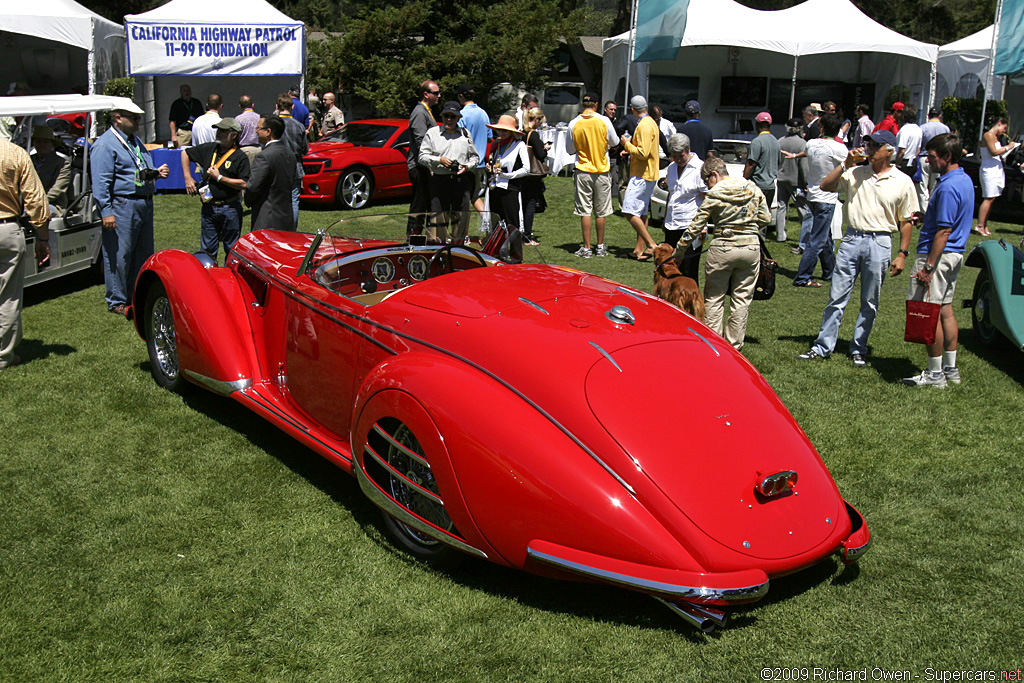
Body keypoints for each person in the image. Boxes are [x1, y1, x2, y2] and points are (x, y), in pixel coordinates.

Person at [798, 130, 918, 367]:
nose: (870, 149)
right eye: (869, 144)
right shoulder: (855, 172)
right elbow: (826, 185)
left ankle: (858, 348)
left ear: (889, 151)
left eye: (876, 146)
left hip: (881, 242)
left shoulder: (903, 181)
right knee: (836, 297)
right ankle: (822, 346)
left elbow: (906, 221)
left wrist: (902, 254)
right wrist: (845, 164)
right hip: (852, 239)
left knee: (870, 300)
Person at [672, 156, 770, 350]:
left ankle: (713, 344)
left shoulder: (715, 193)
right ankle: (734, 345)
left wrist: (679, 251)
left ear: (714, 175)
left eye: (707, 180)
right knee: (742, 298)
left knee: (714, 297)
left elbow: (695, 226)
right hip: (751, 248)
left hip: (723, 248)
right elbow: (766, 217)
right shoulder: (752, 187)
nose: (707, 186)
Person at [902, 133, 974, 388]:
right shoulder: (964, 180)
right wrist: (927, 217)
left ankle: (934, 374)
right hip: (954, 255)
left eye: (932, 157)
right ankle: (950, 369)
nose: (929, 161)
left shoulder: (947, 186)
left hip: (937, 256)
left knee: (929, 313)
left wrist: (928, 268)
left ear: (947, 157)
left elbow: (943, 231)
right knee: (945, 310)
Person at [91, 102, 170, 316]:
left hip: (143, 202)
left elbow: (137, 169)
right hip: (122, 204)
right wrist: (106, 211)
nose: (138, 122)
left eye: (138, 118)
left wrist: (155, 172)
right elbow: (101, 182)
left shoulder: (134, 141)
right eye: (133, 118)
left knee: (143, 253)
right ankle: (117, 300)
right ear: (117, 118)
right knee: (119, 253)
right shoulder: (105, 145)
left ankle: (137, 294)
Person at [0, 136, 50, 370]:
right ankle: (3, 355)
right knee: (8, 297)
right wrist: (42, 237)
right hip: (7, 228)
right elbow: (36, 199)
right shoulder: (15, 153)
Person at [182, 117, 250, 262]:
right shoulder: (209, 149)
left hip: (230, 207)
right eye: (218, 130)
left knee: (231, 249)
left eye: (223, 131)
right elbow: (185, 153)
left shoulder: (240, 157)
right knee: (207, 249)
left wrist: (219, 178)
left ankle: (230, 279)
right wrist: (188, 178)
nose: (218, 133)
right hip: (209, 207)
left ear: (234, 135)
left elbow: (244, 183)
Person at [793, 113, 847, 288]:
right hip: (828, 197)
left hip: (813, 195)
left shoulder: (811, 144)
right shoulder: (839, 148)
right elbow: (849, 165)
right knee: (817, 239)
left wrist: (795, 156)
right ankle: (803, 277)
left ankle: (829, 271)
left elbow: (807, 153)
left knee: (826, 237)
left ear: (821, 127)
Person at [566, 92, 619, 258]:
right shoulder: (604, 121)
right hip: (602, 170)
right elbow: (615, 142)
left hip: (583, 170)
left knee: (585, 210)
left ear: (583, 104)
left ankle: (587, 247)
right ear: (596, 105)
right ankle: (600, 246)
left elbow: (569, 149)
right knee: (601, 211)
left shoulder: (574, 123)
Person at [418, 101, 479, 244]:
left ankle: (459, 247)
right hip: (440, 181)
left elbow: (475, 157)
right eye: (446, 116)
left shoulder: (465, 134)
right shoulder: (433, 134)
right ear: (442, 116)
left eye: (453, 116)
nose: (449, 119)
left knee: (461, 216)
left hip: (460, 181)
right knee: (439, 217)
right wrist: (439, 160)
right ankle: (439, 246)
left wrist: (467, 166)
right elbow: (421, 157)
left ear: (458, 118)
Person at [619, 95, 661, 261]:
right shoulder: (651, 122)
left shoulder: (644, 125)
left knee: (629, 211)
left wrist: (627, 144)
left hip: (642, 173)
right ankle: (639, 249)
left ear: (632, 110)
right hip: (649, 172)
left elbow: (643, 153)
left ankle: (651, 244)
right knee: (641, 212)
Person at [662, 133, 707, 283]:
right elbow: (671, 195)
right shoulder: (671, 168)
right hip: (671, 224)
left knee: (688, 271)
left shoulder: (700, 168)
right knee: (670, 268)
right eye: (674, 156)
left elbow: (707, 199)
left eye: (681, 156)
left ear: (688, 150)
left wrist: (703, 226)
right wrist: (665, 219)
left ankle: (689, 304)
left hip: (690, 225)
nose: (678, 160)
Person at [245, 115, 296, 231]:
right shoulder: (290, 154)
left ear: (268, 131)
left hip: (267, 217)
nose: (256, 131)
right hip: (286, 216)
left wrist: (248, 201)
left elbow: (253, 186)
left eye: (258, 128)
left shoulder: (263, 156)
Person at [485, 114, 529, 241]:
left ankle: (515, 256)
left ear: (511, 131)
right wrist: (490, 168)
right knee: (496, 224)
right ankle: (497, 254)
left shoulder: (519, 145)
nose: (501, 133)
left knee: (512, 224)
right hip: (494, 187)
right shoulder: (496, 144)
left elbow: (527, 169)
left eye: (505, 130)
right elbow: (493, 161)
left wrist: (507, 175)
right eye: (499, 129)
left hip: (510, 188)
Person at [974, 116, 1017, 237]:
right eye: (1004, 128)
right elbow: (993, 151)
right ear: (999, 124)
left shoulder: (996, 138)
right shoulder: (988, 135)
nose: (1004, 131)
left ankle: (985, 224)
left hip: (996, 169)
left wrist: (1009, 149)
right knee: (988, 197)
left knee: (993, 198)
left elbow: (1000, 154)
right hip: (989, 169)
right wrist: (1008, 147)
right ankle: (980, 225)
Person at [407, 80, 440, 235]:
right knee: (419, 203)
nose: (439, 96)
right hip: (419, 165)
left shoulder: (426, 111)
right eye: (435, 93)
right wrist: (429, 164)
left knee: (426, 202)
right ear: (426, 94)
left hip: (424, 165)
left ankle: (422, 236)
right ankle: (412, 236)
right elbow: (420, 140)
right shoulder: (420, 112)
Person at [456, 84, 491, 219]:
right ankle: (489, 224)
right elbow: (489, 138)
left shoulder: (462, 115)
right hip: (481, 163)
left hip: (466, 165)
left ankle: (463, 233)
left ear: (461, 96)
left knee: (464, 200)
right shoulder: (483, 113)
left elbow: (458, 140)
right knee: (474, 196)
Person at [275, 94, 309, 229]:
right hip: (295, 167)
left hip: (277, 167)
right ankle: (291, 231)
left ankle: (278, 228)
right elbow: (305, 149)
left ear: (277, 106)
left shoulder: (273, 124)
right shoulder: (300, 126)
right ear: (292, 106)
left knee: (277, 200)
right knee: (294, 202)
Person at [776, 117, 809, 249]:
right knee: (802, 208)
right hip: (796, 180)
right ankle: (806, 236)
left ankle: (780, 235)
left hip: (782, 177)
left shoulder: (780, 141)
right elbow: (804, 166)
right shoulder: (803, 144)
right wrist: (806, 182)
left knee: (781, 206)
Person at [744, 111, 781, 225]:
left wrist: (744, 179)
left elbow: (751, 163)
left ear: (757, 124)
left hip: (758, 184)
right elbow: (778, 162)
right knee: (764, 216)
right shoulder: (776, 141)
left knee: (753, 216)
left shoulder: (757, 142)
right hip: (770, 185)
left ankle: (755, 240)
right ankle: (761, 239)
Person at [521, 106, 549, 246]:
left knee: (522, 203)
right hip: (532, 174)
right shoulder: (533, 135)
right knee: (530, 204)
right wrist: (545, 149)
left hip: (522, 173)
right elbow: (541, 154)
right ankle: (527, 235)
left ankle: (521, 233)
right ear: (536, 119)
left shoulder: (521, 133)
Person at [30, 126, 72, 216]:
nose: (41, 145)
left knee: (34, 212)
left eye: (45, 142)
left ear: (52, 144)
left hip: (53, 204)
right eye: (38, 141)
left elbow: (58, 189)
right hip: (28, 203)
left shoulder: (62, 163)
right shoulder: (28, 160)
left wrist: (38, 201)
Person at [916, 107, 950, 211]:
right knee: (934, 186)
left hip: (924, 158)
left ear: (928, 115)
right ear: (939, 115)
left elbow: (919, 146)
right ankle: (932, 209)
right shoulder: (945, 128)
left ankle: (924, 211)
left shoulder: (923, 127)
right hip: (938, 159)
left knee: (922, 187)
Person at [603, 100, 622, 205]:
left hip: (614, 156)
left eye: (615, 110)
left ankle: (613, 201)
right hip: (602, 156)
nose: (613, 111)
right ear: (605, 109)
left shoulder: (618, 124)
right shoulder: (600, 121)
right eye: (611, 109)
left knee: (615, 180)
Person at [894, 103, 922, 177]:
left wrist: (896, 164)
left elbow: (902, 150)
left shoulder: (904, 130)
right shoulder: (918, 129)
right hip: (913, 161)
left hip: (904, 162)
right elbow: (918, 150)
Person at [236, 95, 261, 162]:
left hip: (244, 150)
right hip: (259, 149)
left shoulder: (238, 119)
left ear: (240, 106)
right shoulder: (259, 117)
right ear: (252, 105)